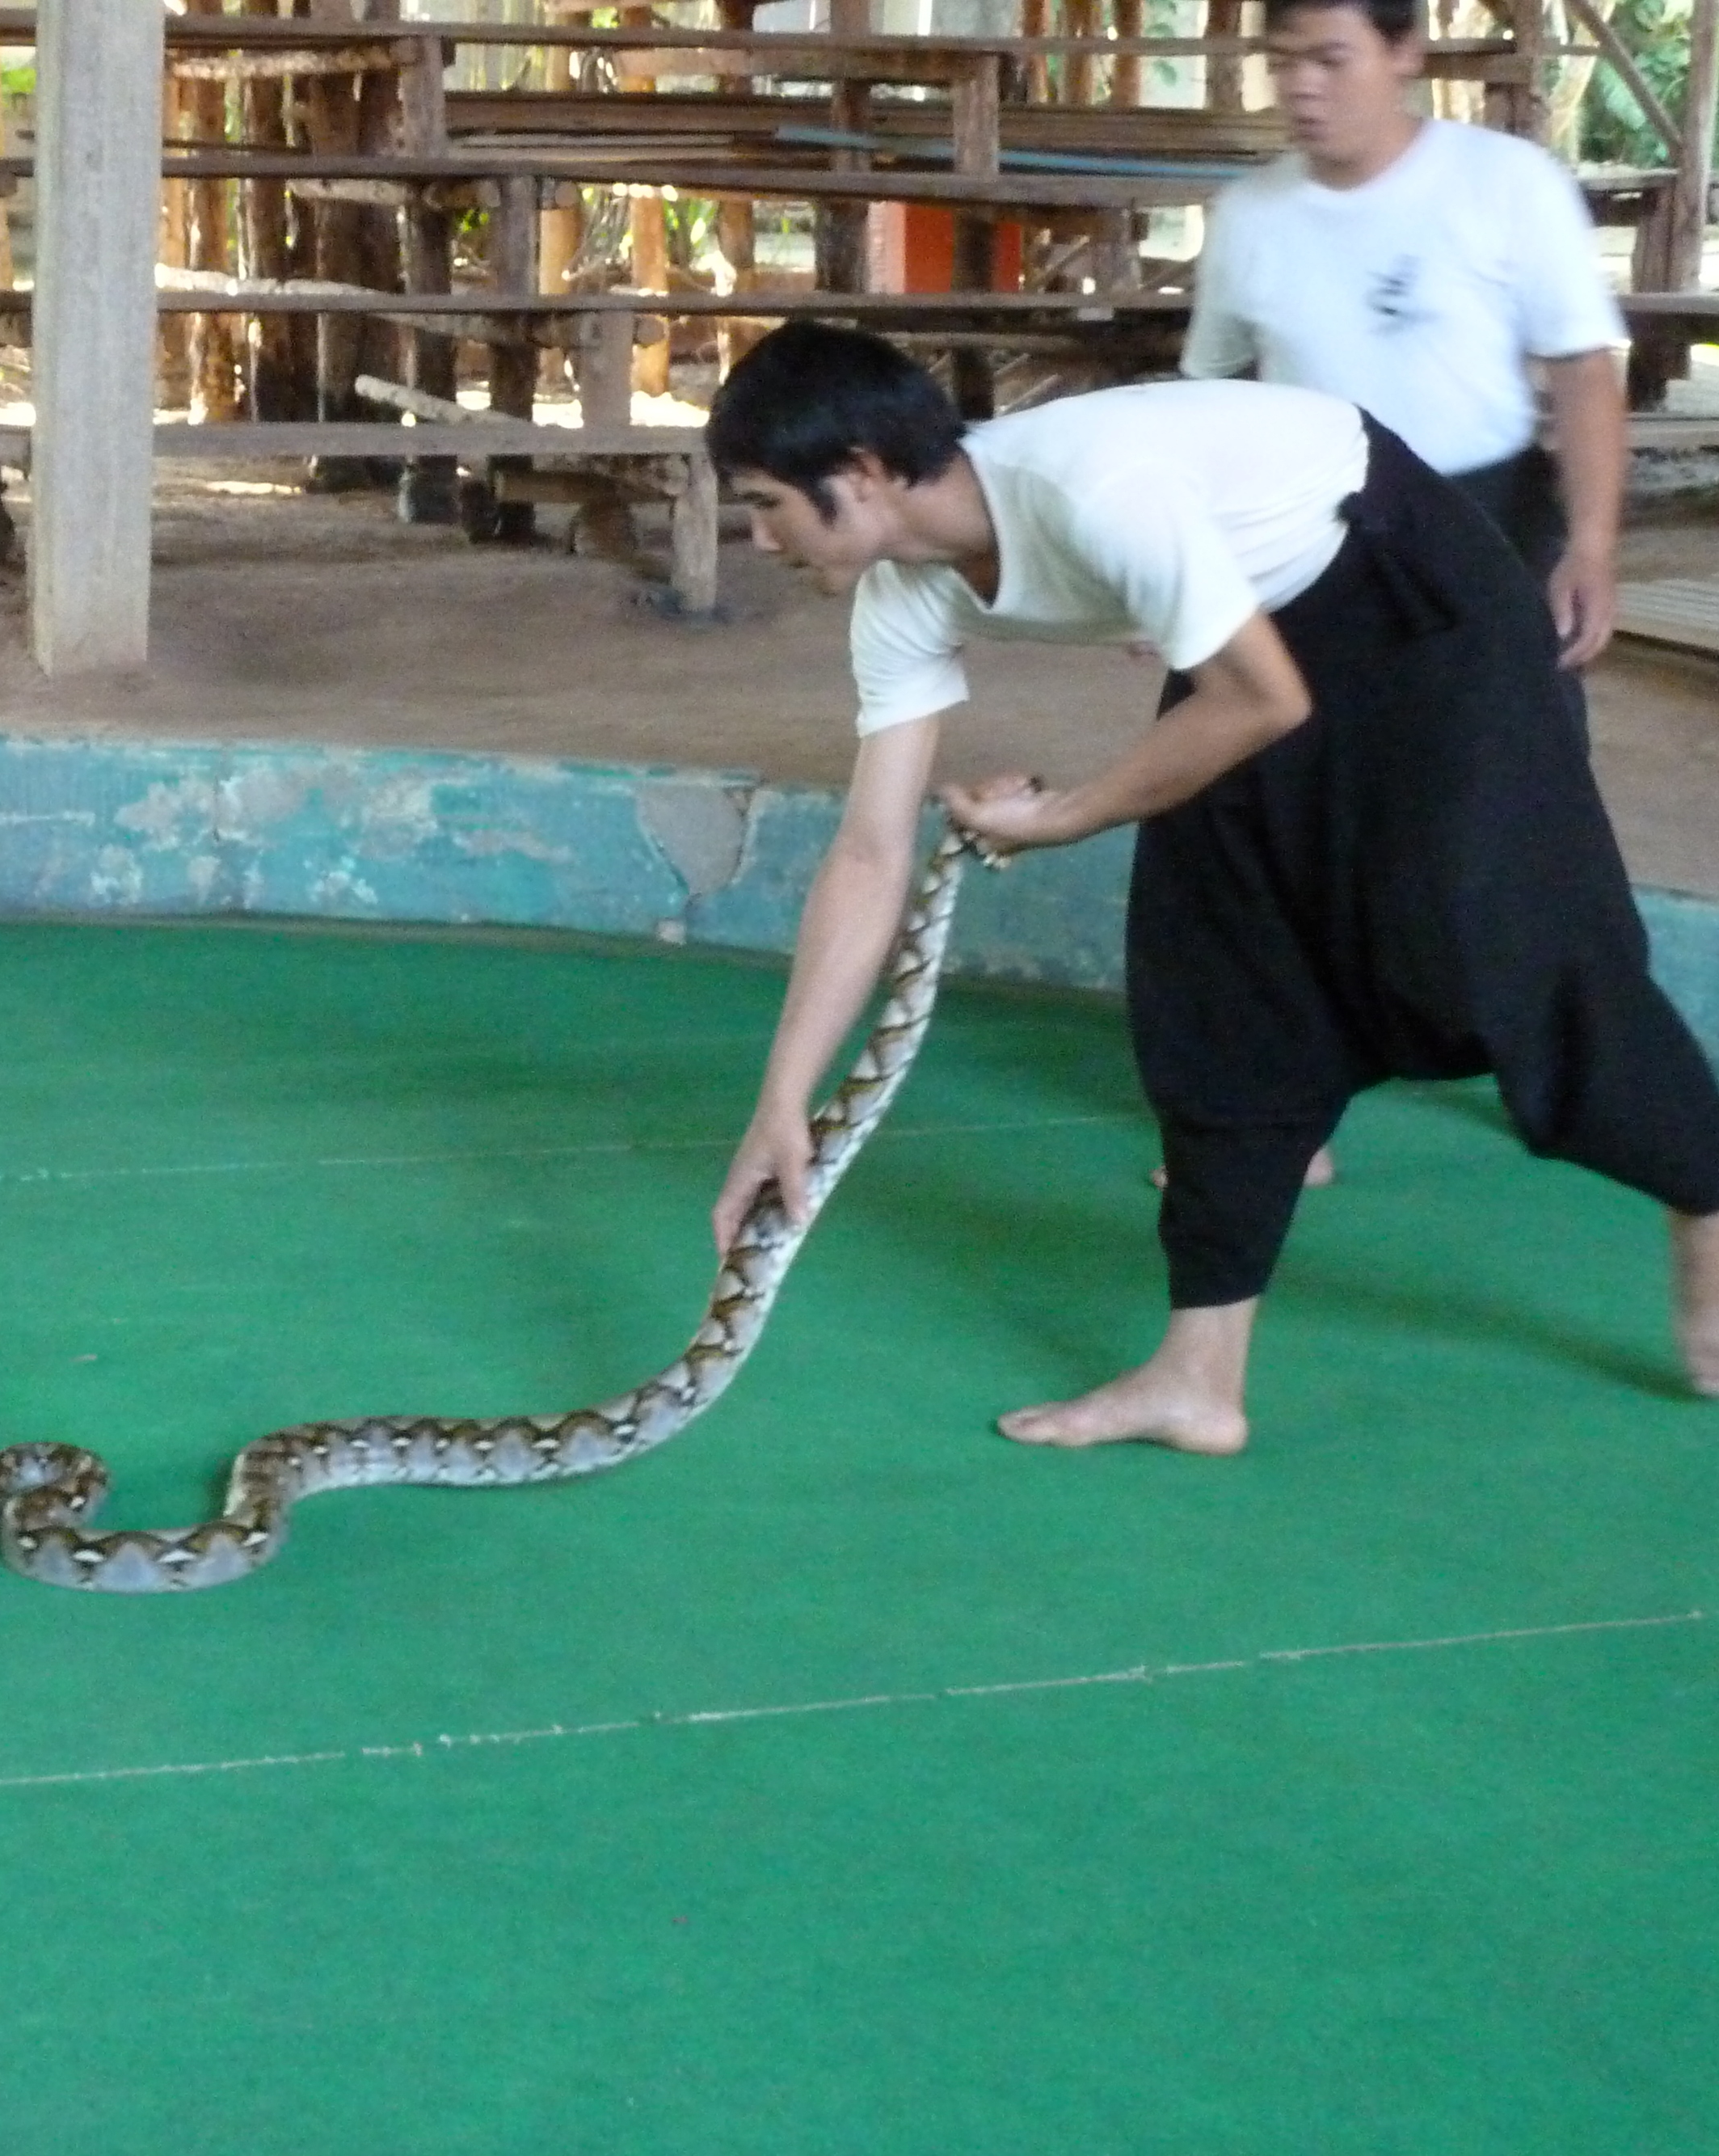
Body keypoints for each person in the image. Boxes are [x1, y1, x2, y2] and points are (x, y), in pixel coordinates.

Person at [701, 322, 1719, 1453]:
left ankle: (1706, 1186)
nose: (759, 535)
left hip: (1408, 596)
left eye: (766, 503)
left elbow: (1263, 702)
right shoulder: (903, 591)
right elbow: (869, 850)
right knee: (1220, 973)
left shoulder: (1092, 489)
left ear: (860, 476)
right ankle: (1198, 1376)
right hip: (1254, 629)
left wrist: (1076, 810)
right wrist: (781, 1097)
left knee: (1499, 944)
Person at [1184, 0, 1627, 668]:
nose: (1301, 85)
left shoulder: (1507, 182)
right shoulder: (1247, 217)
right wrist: (1187, 561)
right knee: (1276, 755)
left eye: (1330, 59)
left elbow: (1583, 373)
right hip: (1305, 539)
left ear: (1405, 52)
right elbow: (1209, 400)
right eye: (1282, 63)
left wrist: (1591, 545)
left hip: (1484, 531)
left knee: (1490, 763)